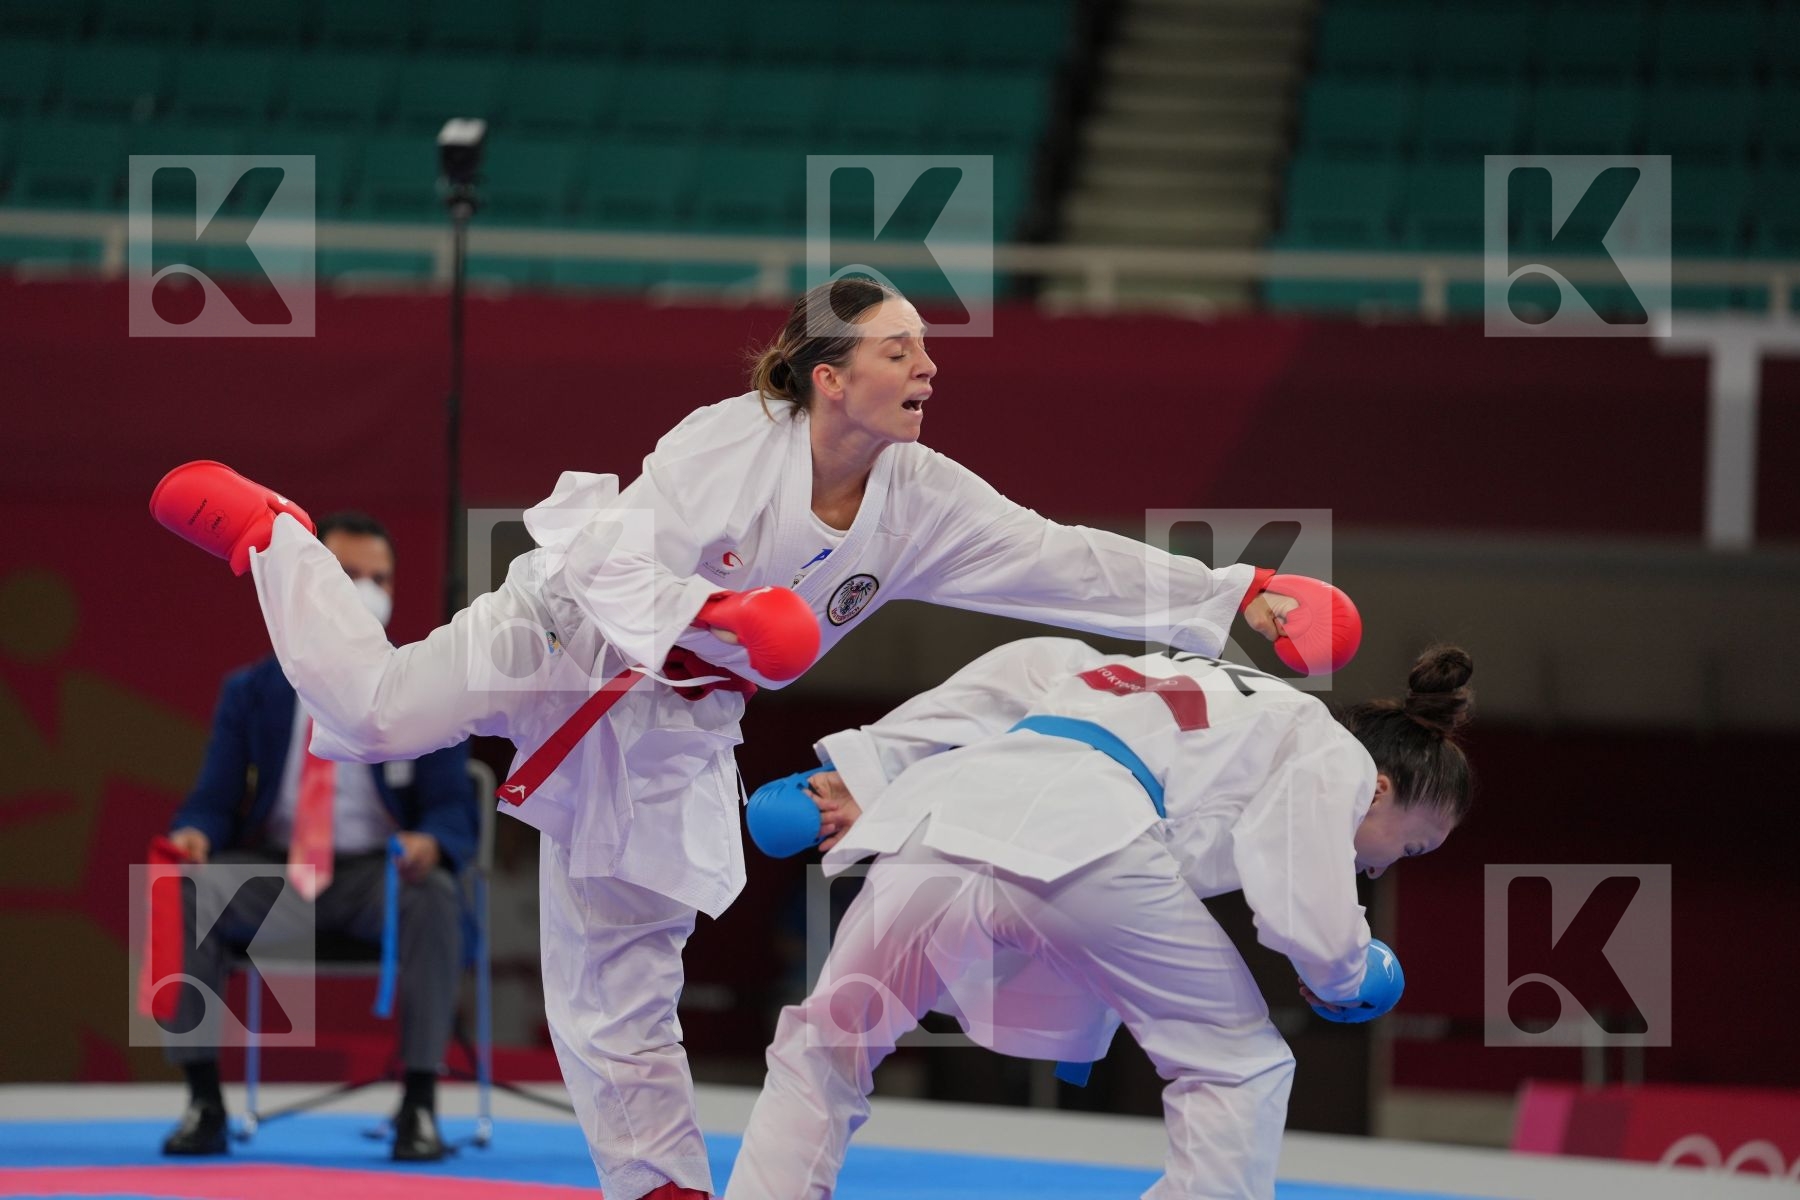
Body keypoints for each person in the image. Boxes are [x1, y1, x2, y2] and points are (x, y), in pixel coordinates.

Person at [150, 278, 1355, 1200]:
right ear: (830, 376)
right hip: (566, 636)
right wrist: (719, 618)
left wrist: (1229, 596)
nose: (929, 367)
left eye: (930, 350)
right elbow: (621, 557)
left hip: (670, 727)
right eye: (901, 350)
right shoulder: (731, 440)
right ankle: (278, 538)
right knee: (367, 716)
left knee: (622, 967)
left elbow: (1061, 563)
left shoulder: (923, 499)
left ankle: (662, 1184)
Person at [725, 637, 1475, 1200]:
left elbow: (1012, 671)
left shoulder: (1141, 667)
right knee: (1238, 1067)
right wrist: (1347, 969)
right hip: (1090, 841)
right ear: (1377, 789)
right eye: (1411, 844)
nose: (1380, 868)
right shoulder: (1331, 749)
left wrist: (870, 768)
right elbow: (1296, 895)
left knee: (825, 1045)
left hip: (948, 815)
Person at [158, 512, 475, 1163]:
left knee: (436, 895)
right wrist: (193, 834)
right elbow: (213, 802)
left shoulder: (424, 683)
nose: (367, 590)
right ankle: (203, 1100)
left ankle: (419, 1105)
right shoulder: (251, 692)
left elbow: (452, 810)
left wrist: (430, 843)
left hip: (378, 883)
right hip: (276, 883)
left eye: (378, 577)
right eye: (347, 575)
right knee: (181, 890)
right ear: (309, 587)